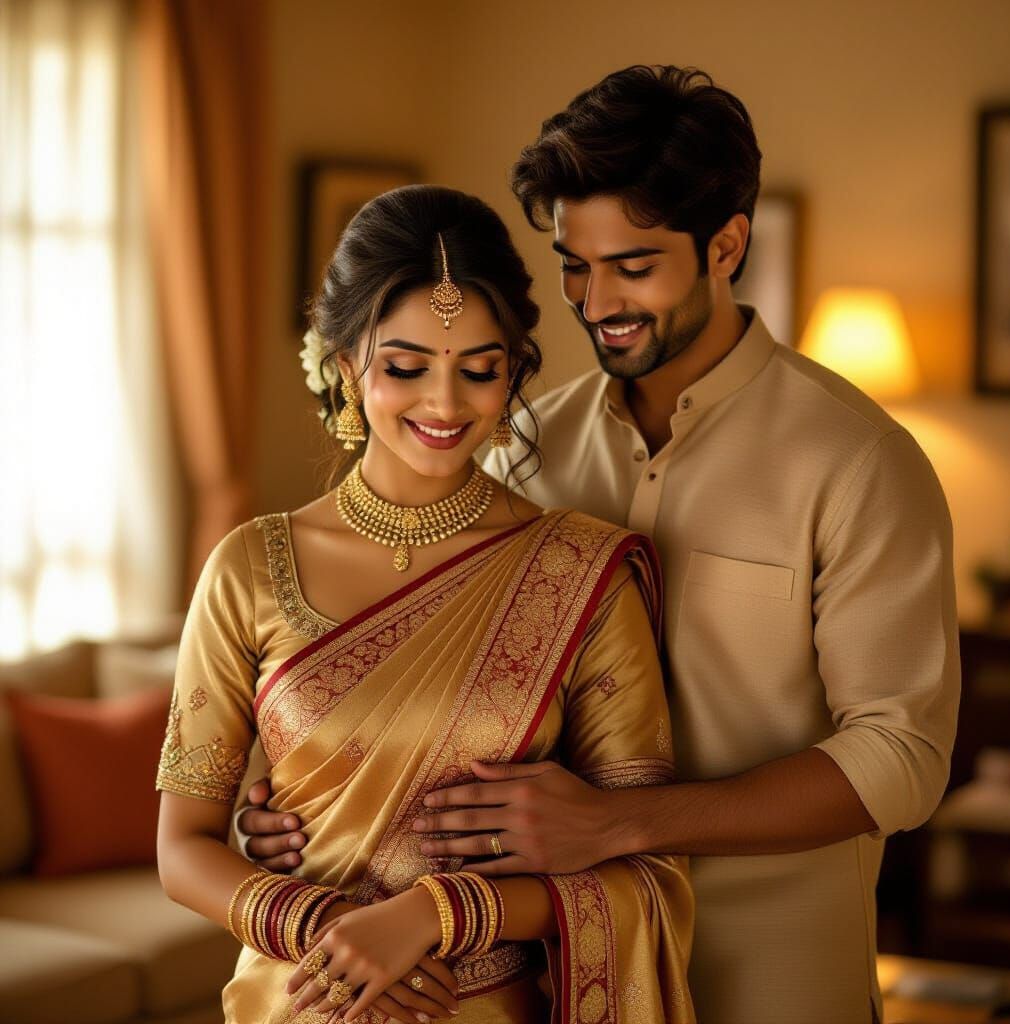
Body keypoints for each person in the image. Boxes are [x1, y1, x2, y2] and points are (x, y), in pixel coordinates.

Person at [239, 68, 960, 1024]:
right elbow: (405, 654)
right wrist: (284, 794)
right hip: (560, 973)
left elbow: (901, 757)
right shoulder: (527, 445)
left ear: (728, 244)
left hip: (773, 981)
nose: (596, 298)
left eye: (634, 264)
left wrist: (621, 821)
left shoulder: (859, 460)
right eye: (575, 264)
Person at [155, 184, 694, 1024]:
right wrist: (334, 930)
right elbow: (181, 847)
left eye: (479, 371)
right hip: (297, 1002)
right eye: (405, 368)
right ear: (345, 368)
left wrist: (433, 916)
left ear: (514, 371)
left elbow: (640, 865)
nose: (444, 405)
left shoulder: (582, 573)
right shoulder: (250, 568)